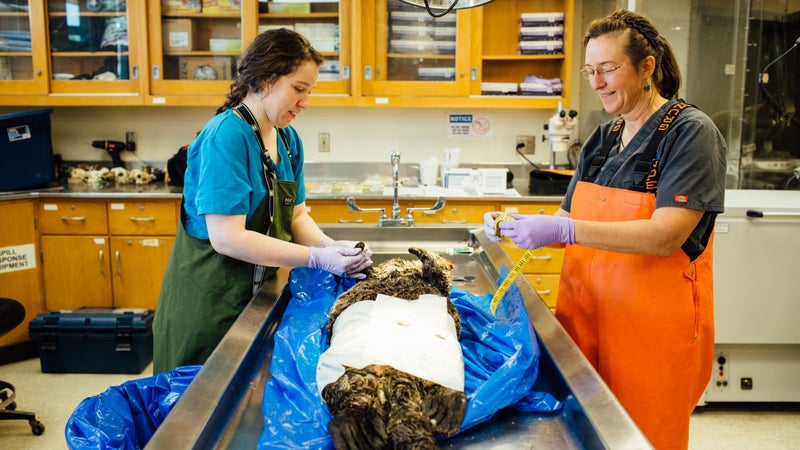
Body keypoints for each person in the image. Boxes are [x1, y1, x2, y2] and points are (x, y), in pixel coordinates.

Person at [484, 9, 726, 450]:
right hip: (585, 320)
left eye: (609, 69)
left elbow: (665, 234)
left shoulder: (690, 133)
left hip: (649, 333)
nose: (596, 82)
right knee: (581, 435)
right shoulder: (603, 136)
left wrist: (567, 232)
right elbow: (564, 216)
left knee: (642, 439)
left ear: (646, 66)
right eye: (590, 71)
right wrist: (513, 223)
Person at [153, 29, 372, 374]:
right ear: (266, 79)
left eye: (309, 92)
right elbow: (228, 238)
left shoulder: (287, 140)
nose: (305, 103)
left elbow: (296, 215)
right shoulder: (226, 136)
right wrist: (317, 258)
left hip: (256, 302)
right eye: (298, 89)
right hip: (209, 307)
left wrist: (333, 248)